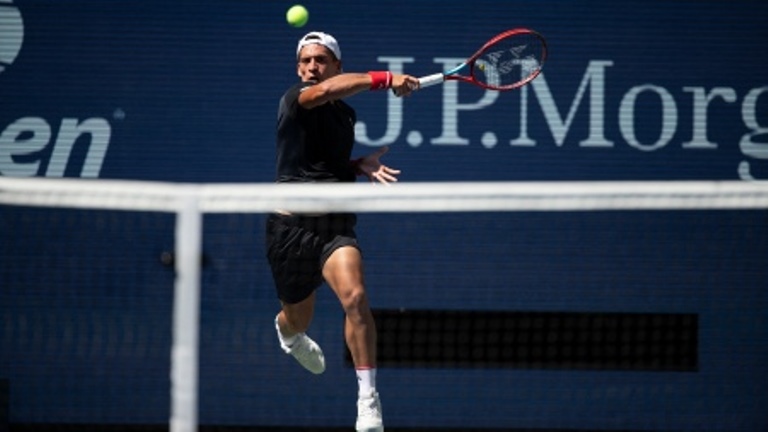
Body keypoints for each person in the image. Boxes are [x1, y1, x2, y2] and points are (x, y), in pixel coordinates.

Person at [266, 31, 419, 432]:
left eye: (320, 60)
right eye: (305, 62)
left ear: (336, 63)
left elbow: (323, 165)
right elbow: (329, 91)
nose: (311, 68)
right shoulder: (296, 99)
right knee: (298, 319)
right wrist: (386, 79)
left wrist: (356, 166)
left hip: (334, 225)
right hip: (289, 229)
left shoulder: (345, 115)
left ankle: (368, 399)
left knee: (355, 297)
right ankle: (288, 332)